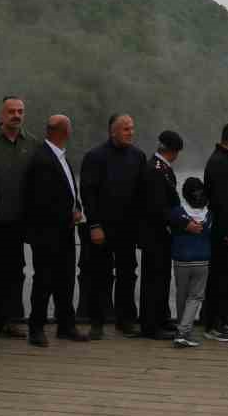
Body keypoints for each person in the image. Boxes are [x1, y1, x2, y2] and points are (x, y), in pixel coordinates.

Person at [81, 114, 153, 338]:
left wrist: (142, 226)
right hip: (102, 227)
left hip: (128, 227)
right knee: (99, 275)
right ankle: (97, 322)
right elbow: (88, 193)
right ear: (113, 131)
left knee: (127, 274)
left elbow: (142, 194)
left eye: (132, 128)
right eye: (125, 129)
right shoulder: (95, 156)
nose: (131, 132)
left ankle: (125, 320)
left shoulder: (138, 156)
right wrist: (94, 225)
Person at [22, 116, 88, 345]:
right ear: (64, 131)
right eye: (69, 128)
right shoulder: (42, 159)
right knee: (44, 280)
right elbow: (40, 200)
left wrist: (76, 207)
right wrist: (68, 214)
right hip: (46, 233)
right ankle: (36, 328)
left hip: (64, 232)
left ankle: (66, 325)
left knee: (66, 279)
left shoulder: (60, 156)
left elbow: (69, 190)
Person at [0, 96, 37, 339]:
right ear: (2, 114)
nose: (16, 115)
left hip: (20, 220)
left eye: (20, 111)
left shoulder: (33, 143)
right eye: (11, 111)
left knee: (16, 270)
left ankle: (12, 319)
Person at [201, 122, 228, 340]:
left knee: (227, 278)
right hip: (223, 232)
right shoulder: (220, 163)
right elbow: (222, 201)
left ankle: (224, 321)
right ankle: (212, 325)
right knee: (218, 278)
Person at [141, 129, 186, 340]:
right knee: (153, 280)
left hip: (162, 235)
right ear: (174, 151)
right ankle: (150, 326)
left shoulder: (161, 168)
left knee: (162, 278)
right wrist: (182, 221)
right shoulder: (156, 170)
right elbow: (158, 208)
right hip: (155, 234)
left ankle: (161, 318)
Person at [173, 177, 223, 347]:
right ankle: (183, 332)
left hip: (180, 260)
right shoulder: (209, 215)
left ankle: (181, 329)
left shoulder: (177, 212)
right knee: (195, 297)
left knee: (181, 296)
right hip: (201, 260)